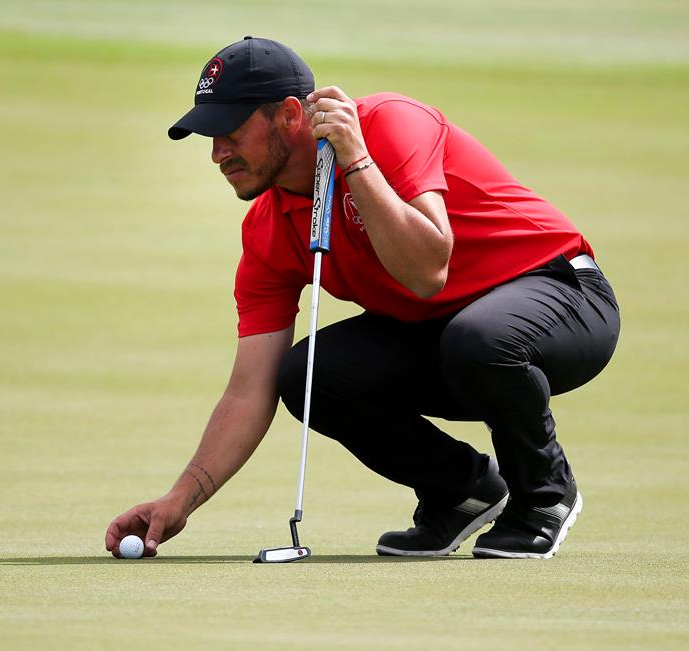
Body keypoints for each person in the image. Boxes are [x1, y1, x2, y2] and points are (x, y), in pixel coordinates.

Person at [104, 36, 620, 560]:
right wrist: (182, 499)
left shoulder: (390, 124)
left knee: (479, 340)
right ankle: (460, 492)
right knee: (306, 375)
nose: (218, 154)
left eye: (231, 132)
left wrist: (355, 161)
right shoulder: (267, 230)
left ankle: (543, 497)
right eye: (210, 138)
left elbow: (427, 272)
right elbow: (248, 391)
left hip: (565, 295)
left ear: (289, 115)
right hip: (452, 334)